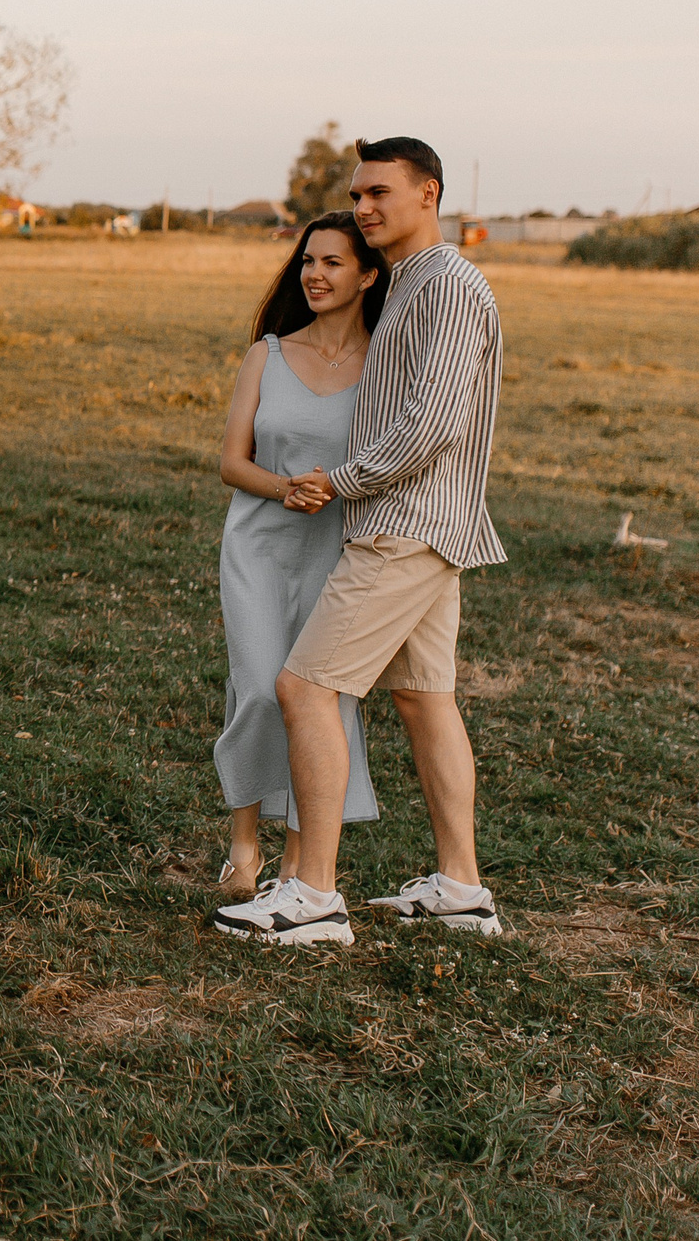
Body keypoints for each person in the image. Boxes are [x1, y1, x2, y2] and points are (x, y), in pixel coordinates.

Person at [212, 137, 508, 947]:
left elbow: (434, 424)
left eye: (381, 191)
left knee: (305, 690)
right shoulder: (409, 283)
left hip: (403, 526)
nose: (367, 205)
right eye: (359, 193)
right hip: (415, 523)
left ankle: (313, 895)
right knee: (422, 696)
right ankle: (461, 886)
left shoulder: (446, 284)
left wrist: (341, 482)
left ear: (429, 193)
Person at [211, 211, 390, 894]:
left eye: (333, 263)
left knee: (318, 701)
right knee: (258, 688)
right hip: (257, 545)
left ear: (368, 274)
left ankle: (296, 862)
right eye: (308, 261)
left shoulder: (383, 365)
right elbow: (231, 461)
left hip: (338, 551)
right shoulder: (269, 353)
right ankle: (243, 845)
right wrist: (286, 487)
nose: (314, 273)